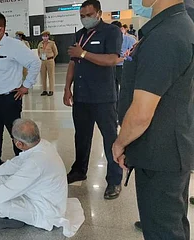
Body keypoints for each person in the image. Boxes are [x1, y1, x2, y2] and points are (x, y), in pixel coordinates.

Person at [113, 0, 194, 239]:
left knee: (162, 230)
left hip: (159, 152)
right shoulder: (178, 26)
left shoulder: (165, 36)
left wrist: (119, 143)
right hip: (170, 147)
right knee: (173, 222)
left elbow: (141, 113)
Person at [0, 119, 84, 237]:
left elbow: (8, 189)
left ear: (19, 144)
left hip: (44, 210)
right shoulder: (41, 144)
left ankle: (18, 220)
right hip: (37, 194)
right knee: (0, 177)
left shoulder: (35, 163)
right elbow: (17, 163)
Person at [64, 0, 123, 199]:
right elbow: (73, 62)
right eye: (82, 15)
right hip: (81, 96)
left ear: (98, 13)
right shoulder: (80, 34)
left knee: (110, 138)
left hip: (103, 98)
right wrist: (67, 89)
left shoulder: (111, 32)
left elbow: (112, 60)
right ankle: (79, 170)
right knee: (81, 136)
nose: (85, 19)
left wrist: (84, 53)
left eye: (88, 15)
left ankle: (114, 180)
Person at [0, 12, 41, 176]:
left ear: (1, 29)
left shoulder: (14, 45)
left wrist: (26, 86)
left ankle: (22, 165)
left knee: (16, 135)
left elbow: (34, 63)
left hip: (9, 99)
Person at [111, 21, 136, 98]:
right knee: (113, 90)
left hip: (123, 67)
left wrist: (124, 58)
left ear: (121, 29)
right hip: (111, 67)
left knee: (124, 88)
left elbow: (133, 57)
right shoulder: (110, 40)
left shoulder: (129, 40)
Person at [37, 30, 58, 96]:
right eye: (43, 36)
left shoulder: (52, 43)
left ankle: (51, 90)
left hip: (50, 60)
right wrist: (41, 57)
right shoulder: (40, 44)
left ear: (48, 36)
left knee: (51, 75)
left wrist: (51, 58)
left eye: (46, 36)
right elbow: (38, 52)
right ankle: (44, 90)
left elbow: (56, 52)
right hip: (43, 61)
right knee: (43, 76)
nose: (44, 37)